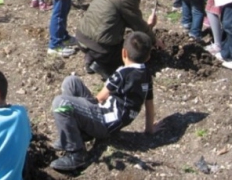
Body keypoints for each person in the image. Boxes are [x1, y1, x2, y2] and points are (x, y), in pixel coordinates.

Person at [50, 32, 163, 171]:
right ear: (148, 57)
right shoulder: (146, 75)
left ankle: (76, 154)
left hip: (103, 121)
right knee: (71, 82)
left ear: (124, 53)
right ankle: (74, 134)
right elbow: (149, 104)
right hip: (110, 120)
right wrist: (149, 129)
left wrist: (78, 106)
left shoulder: (122, 74)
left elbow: (100, 98)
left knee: (60, 104)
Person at [76, 0, 163, 79]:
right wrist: (153, 39)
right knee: (132, 52)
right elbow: (137, 26)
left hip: (82, 36)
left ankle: (91, 57)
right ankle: (103, 66)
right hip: (101, 47)